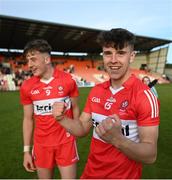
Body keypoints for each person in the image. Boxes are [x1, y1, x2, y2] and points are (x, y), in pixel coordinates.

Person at [52, 28, 160, 179]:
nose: (113, 60)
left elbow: (150, 155)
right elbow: (82, 128)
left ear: (132, 56)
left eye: (121, 53)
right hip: (90, 174)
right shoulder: (96, 91)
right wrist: (62, 118)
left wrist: (117, 139)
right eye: (108, 53)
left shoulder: (144, 96)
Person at [20, 39, 80, 179]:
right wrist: (26, 151)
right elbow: (28, 119)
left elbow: (76, 107)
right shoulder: (27, 86)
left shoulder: (68, 80)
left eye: (33, 59)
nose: (30, 65)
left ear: (47, 59)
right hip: (41, 145)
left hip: (66, 142)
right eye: (28, 60)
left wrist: (76, 130)